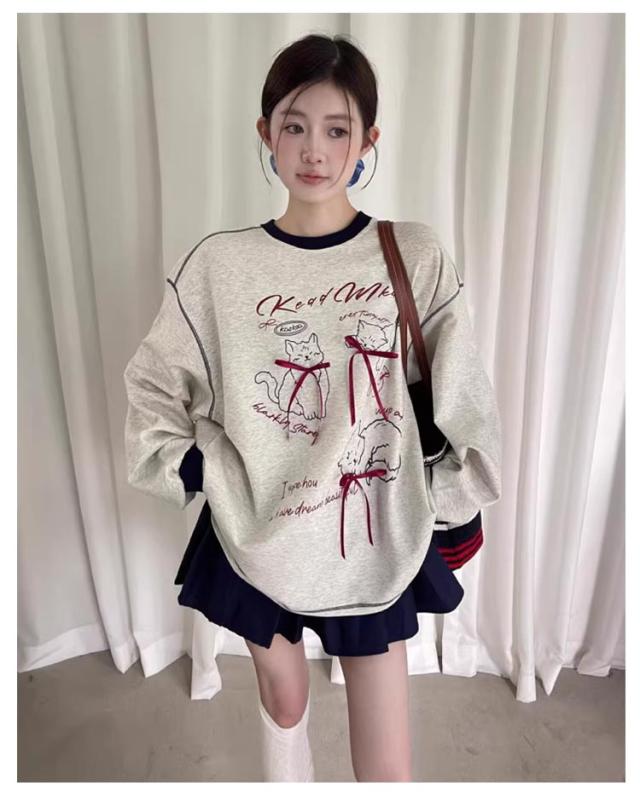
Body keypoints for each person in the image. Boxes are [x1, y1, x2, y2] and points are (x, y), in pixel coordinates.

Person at [123, 33, 502, 783]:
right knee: (282, 695)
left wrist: (440, 499)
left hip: (372, 534)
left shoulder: (414, 254)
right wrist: (197, 469)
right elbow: (154, 384)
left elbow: (466, 403)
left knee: (385, 760)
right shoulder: (219, 264)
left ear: (368, 140)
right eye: (294, 126)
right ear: (265, 133)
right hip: (256, 522)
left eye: (336, 129)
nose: (314, 150)